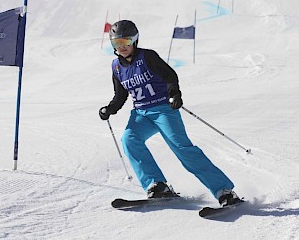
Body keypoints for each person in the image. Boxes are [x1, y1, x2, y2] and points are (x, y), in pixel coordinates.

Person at [99, 20, 241, 206]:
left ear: (134, 40)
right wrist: (110, 108)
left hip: (163, 110)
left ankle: (224, 191)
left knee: (182, 149)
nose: (122, 47)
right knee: (129, 140)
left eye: (125, 42)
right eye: (117, 43)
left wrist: (174, 94)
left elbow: (169, 75)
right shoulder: (116, 67)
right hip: (141, 114)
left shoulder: (147, 57)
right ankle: (157, 185)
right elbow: (121, 94)